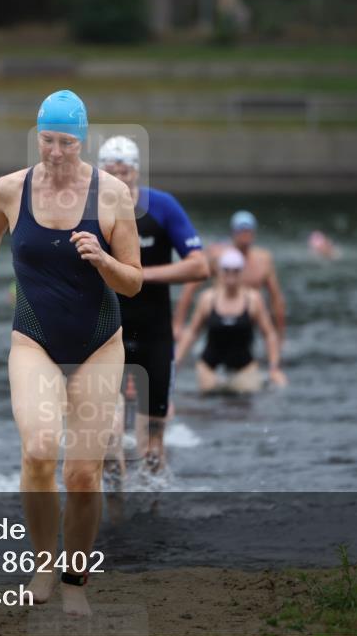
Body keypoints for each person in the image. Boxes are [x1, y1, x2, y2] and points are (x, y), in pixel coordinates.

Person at [0, 90, 141, 616]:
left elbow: (132, 283)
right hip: (32, 337)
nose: (55, 151)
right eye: (47, 140)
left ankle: (76, 577)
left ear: (81, 141)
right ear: (35, 134)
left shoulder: (111, 196)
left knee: (82, 473)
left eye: (65, 142)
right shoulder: (9, 189)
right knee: (39, 448)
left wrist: (103, 260)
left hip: (99, 342)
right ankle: (43, 562)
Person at [98, 135, 209, 475]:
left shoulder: (161, 206)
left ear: (137, 172)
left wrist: (138, 274)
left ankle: (153, 511)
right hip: (106, 334)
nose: (119, 176)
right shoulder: (89, 212)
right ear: (100, 173)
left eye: (126, 170)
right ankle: (112, 515)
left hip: (154, 334)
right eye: (111, 170)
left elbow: (200, 266)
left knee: (152, 448)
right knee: (108, 438)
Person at [176, 249, 287, 394]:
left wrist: (274, 368)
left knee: (246, 403)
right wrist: (175, 363)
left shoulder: (253, 300)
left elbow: (269, 334)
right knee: (208, 402)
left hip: (244, 367)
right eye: (227, 271)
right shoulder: (208, 299)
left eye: (235, 271)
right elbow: (191, 333)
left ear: (242, 272)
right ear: (220, 272)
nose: (231, 276)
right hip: (210, 368)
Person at [174, 210, 286, 342]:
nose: (245, 234)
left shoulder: (263, 260)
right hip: (220, 318)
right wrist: (178, 325)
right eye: (241, 230)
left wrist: (281, 335)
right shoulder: (217, 255)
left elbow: (276, 299)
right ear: (233, 233)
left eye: (248, 230)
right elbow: (190, 288)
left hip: (248, 321)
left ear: (254, 233)